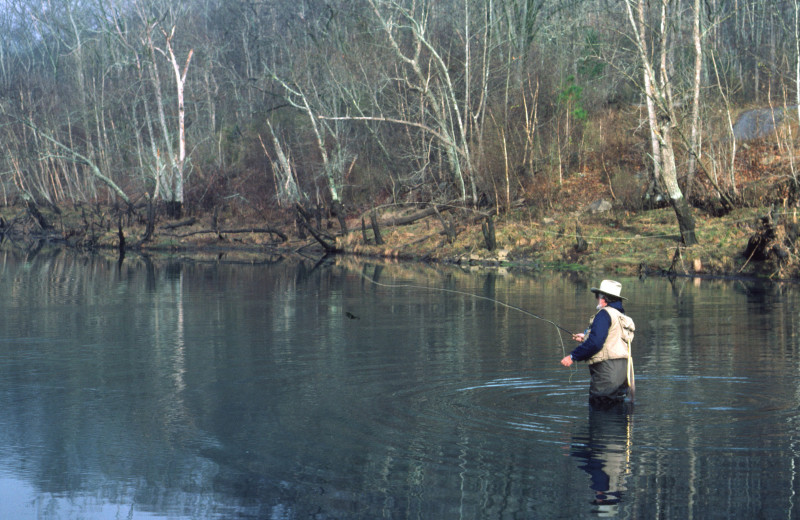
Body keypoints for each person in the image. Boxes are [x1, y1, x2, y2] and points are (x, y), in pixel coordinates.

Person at [560, 280, 635, 407]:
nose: (596, 299)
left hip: (607, 373)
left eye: (597, 296)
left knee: (600, 411)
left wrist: (573, 356)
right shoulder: (622, 316)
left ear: (604, 299)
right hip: (624, 373)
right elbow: (612, 339)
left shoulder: (604, 314)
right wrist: (585, 337)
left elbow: (596, 343)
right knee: (617, 413)